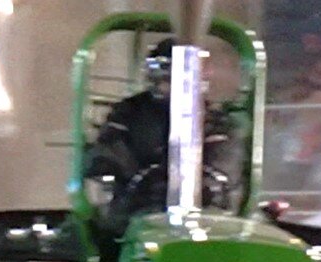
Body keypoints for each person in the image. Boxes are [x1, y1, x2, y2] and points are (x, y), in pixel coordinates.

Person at [85, 39, 235, 234]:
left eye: (176, 76)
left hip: (202, 215)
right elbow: (107, 154)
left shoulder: (217, 121)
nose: (168, 84)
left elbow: (224, 168)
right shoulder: (128, 113)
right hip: (135, 212)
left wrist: (198, 187)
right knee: (104, 239)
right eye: (164, 74)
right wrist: (140, 181)